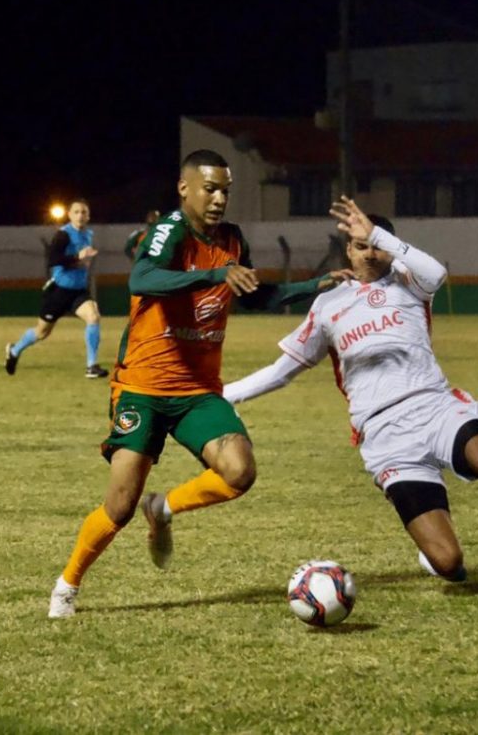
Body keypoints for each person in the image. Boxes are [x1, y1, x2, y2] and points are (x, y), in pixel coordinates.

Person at [223, 196, 478, 584]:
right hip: (384, 435)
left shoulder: (409, 282)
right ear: (347, 251)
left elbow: (436, 272)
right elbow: (282, 371)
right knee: (449, 565)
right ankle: (434, 546)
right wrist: (223, 395)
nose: (369, 254)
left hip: (434, 407)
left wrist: (379, 235)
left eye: (376, 246)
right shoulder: (328, 305)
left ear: (388, 248)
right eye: (360, 246)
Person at [47, 149, 344, 618]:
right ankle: (67, 584)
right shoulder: (170, 230)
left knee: (240, 471)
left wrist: (314, 286)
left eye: (225, 190)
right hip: (143, 386)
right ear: (184, 189)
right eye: (210, 189)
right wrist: (215, 274)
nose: (219, 198)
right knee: (119, 506)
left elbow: (254, 296)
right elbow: (142, 279)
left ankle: (163, 508)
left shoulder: (232, 239)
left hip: (197, 391)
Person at [4, 198, 109, 379]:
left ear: (88, 216)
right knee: (41, 332)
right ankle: (14, 350)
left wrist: (83, 260)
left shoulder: (88, 234)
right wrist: (77, 257)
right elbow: (53, 260)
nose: (80, 216)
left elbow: (80, 260)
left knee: (93, 316)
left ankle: (91, 366)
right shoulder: (63, 235)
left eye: (83, 212)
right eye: (76, 212)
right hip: (59, 291)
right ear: (69, 215)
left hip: (79, 291)